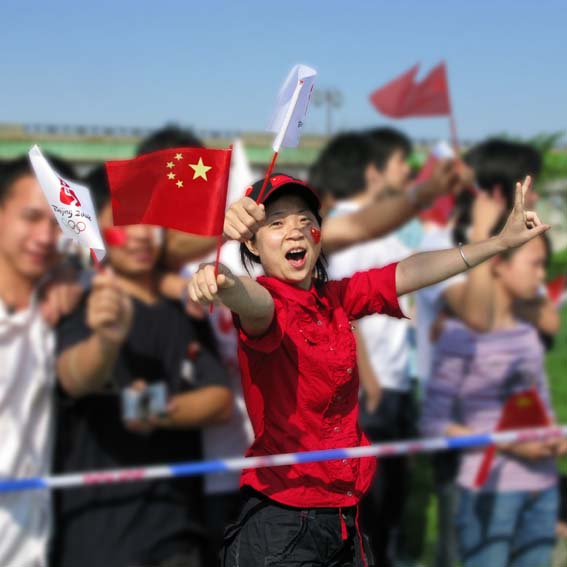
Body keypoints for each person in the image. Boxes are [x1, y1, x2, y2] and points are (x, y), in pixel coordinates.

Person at [188, 171, 548, 567]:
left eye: (305, 220)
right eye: (276, 223)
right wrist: (221, 281)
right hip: (279, 525)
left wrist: (499, 243)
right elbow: (251, 300)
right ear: (252, 245)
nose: (295, 231)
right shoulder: (269, 306)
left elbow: (409, 272)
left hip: (345, 519)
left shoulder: (337, 298)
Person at [52, 187, 233, 567]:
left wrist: (151, 407)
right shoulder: (81, 305)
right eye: (121, 226)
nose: (137, 235)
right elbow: (73, 377)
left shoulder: (187, 310)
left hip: (180, 532)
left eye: (148, 225)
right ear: (94, 235)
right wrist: (106, 340)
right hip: (99, 537)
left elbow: (219, 400)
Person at [420, 217, 565, 567]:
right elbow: (433, 424)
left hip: (542, 488)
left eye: (545, 265)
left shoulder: (528, 333)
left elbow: (539, 405)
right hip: (490, 493)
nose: (541, 276)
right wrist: (511, 443)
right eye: (534, 264)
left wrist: (555, 437)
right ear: (499, 266)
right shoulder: (458, 336)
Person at [319, 130, 416, 566]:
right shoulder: (344, 231)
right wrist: (369, 381)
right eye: (401, 162)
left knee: (392, 504)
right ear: (374, 172)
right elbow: (341, 310)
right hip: (367, 394)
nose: (408, 172)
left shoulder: (386, 232)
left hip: (395, 388)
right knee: (367, 513)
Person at [0, 155, 84, 567]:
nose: (43, 236)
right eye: (30, 217)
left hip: (35, 545)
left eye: (56, 222)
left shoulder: (58, 306)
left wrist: (68, 270)